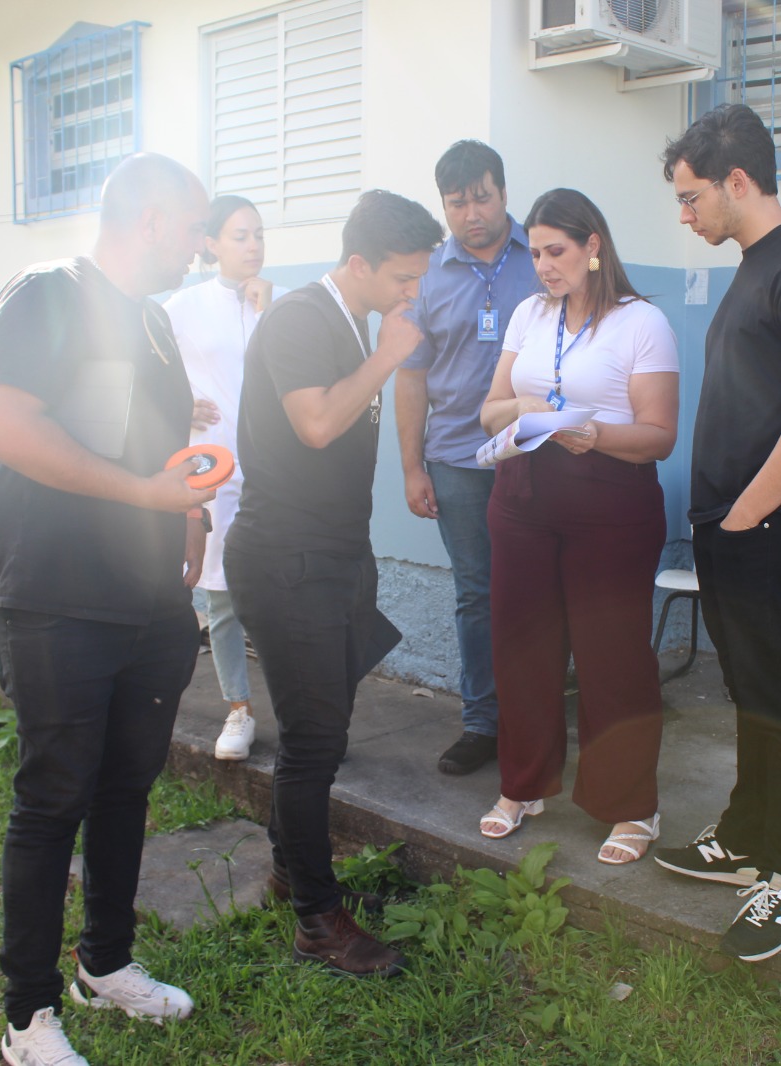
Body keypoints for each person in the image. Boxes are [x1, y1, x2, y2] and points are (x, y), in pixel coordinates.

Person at [0, 153, 211, 1066]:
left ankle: (104, 965)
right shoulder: (46, 293)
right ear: (150, 220)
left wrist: (183, 509)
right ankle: (27, 1019)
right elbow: (5, 424)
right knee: (52, 800)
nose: (199, 245)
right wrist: (143, 495)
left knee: (125, 789)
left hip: (151, 601)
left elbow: (155, 443)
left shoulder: (154, 321)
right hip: (57, 598)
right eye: (192, 227)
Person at [224, 189, 443, 977]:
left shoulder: (352, 321)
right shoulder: (301, 320)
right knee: (315, 743)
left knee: (320, 733)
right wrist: (389, 356)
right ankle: (318, 921)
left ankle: (293, 872)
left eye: (418, 278)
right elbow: (316, 424)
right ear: (358, 264)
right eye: (402, 278)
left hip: (338, 557)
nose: (412, 293)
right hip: (287, 561)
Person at [652, 103, 781, 962]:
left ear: (737, 181)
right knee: (751, 694)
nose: (684, 215)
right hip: (732, 527)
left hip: (769, 525)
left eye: (691, 197)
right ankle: (744, 838)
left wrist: (744, 515)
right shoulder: (754, 266)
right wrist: (721, 521)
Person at [475, 188, 679, 866]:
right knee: (521, 649)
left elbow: (660, 435)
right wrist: (522, 406)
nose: (543, 266)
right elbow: (488, 411)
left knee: (612, 658)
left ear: (593, 246)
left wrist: (595, 435)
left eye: (555, 251)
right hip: (523, 496)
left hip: (609, 502)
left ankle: (632, 806)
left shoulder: (642, 322)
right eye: (534, 253)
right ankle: (523, 786)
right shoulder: (529, 315)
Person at [397, 140, 539, 776]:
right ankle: (483, 723)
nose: (471, 213)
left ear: (504, 192)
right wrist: (411, 467)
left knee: (540, 589)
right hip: (456, 461)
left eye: (482, 198)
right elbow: (410, 375)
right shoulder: (427, 272)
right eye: (457, 203)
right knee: (477, 593)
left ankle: (537, 716)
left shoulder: (541, 255)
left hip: (537, 454)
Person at [165, 194, 272, 761]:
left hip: (274, 470)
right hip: (215, 468)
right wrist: (178, 406)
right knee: (224, 597)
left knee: (279, 594)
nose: (253, 245)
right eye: (239, 235)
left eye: (259, 234)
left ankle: (304, 709)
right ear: (210, 244)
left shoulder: (275, 303)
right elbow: (147, 375)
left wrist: (266, 310)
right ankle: (239, 708)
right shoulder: (182, 307)